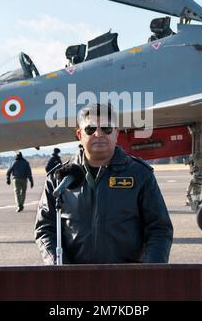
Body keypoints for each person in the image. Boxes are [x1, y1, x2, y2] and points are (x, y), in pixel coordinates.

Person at [35, 103, 173, 264]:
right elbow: (45, 229)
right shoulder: (59, 179)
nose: (98, 134)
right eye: (90, 129)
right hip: (75, 280)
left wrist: (150, 273)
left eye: (106, 128)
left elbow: (159, 229)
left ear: (116, 133)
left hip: (128, 280)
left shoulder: (140, 175)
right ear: (79, 134)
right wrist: (60, 268)